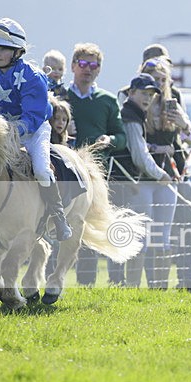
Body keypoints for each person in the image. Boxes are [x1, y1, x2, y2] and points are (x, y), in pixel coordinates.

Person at [0, 17, 72, 241]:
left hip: (33, 131)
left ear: (17, 51)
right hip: (3, 132)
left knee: (41, 170)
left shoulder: (33, 77)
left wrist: (9, 130)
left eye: (3, 49)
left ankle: (59, 218)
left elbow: (33, 117)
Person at [61, 42, 128, 285]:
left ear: (99, 70)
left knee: (98, 224)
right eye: (83, 64)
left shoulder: (107, 100)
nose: (87, 69)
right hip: (64, 171)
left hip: (97, 175)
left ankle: (101, 282)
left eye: (93, 65)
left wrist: (108, 139)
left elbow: (122, 137)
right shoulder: (61, 96)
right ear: (73, 66)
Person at [139, 57, 191, 289]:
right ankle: (143, 283)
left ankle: (159, 286)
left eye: (163, 80)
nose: (159, 84)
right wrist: (155, 148)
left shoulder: (173, 103)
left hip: (170, 175)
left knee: (163, 230)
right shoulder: (138, 105)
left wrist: (183, 124)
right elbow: (135, 141)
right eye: (154, 80)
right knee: (145, 230)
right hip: (144, 174)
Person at [116, 73, 174, 287]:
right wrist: (161, 174)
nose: (148, 98)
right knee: (141, 235)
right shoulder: (130, 116)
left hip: (142, 182)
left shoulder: (137, 114)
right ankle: (134, 287)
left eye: (151, 94)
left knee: (157, 235)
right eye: (143, 93)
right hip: (137, 182)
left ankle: (158, 286)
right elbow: (139, 157)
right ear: (131, 93)